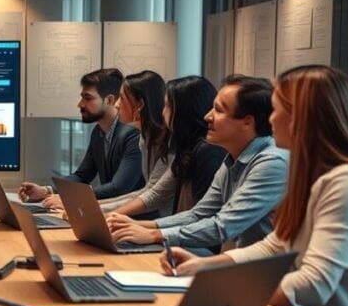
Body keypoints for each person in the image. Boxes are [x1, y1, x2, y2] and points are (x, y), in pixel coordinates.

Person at [162, 65, 348, 306]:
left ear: (300, 119)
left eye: (277, 109)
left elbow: (313, 283)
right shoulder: (314, 175)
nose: (269, 119)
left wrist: (223, 290)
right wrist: (205, 266)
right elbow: (274, 245)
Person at [109, 75, 288, 251]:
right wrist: (142, 226)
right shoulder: (232, 158)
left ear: (247, 122)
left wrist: (155, 234)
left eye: (218, 110)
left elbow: (222, 226)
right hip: (236, 263)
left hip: (260, 272)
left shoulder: (271, 163)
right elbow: (198, 214)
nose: (207, 117)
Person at [18, 68, 143, 208]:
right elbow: (82, 176)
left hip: (135, 218)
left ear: (109, 100)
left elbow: (119, 187)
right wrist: (46, 191)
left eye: (88, 98)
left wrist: (70, 199)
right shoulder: (98, 132)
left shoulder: (132, 133)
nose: (80, 104)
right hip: (109, 213)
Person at [106, 76, 227, 218]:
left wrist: (106, 214)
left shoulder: (207, 151)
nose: (162, 112)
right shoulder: (189, 147)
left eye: (167, 106)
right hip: (174, 228)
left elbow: (156, 195)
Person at [97, 71, 172, 216]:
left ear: (140, 105)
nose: (117, 105)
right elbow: (148, 189)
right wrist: (95, 206)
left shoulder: (168, 142)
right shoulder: (145, 138)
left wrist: (100, 211)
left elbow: (154, 194)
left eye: (123, 99)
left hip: (166, 225)